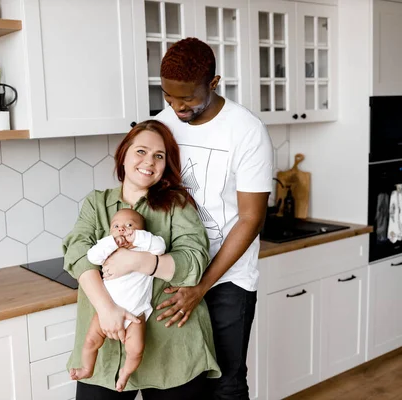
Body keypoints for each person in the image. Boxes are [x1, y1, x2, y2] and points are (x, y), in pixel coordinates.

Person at [63, 120, 220, 399]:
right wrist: (107, 311)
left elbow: (195, 260)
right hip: (105, 345)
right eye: (141, 151)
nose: (149, 161)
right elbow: (77, 255)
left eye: (159, 156)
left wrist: (139, 262)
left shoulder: (177, 204)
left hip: (171, 345)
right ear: (123, 154)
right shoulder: (96, 203)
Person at [152, 37, 274, 400]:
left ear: (215, 83)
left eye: (187, 98)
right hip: (174, 274)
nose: (177, 107)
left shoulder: (247, 131)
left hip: (228, 281)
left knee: (226, 383)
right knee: (180, 382)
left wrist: (201, 287)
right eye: (169, 97)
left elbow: (251, 219)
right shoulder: (161, 124)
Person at [70, 208, 166, 392]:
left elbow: (160, 247)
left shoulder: (145, 248)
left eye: (129, 225)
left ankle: (125, 373)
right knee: (90, 342)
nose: (122, 229)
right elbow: (92, 257)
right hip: (106, 310)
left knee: (136, 349)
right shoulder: (107, 249)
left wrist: (137, 238)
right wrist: (111, 242)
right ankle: (87, 369)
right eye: (116, 226)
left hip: (135, 314)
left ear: (141, 231)